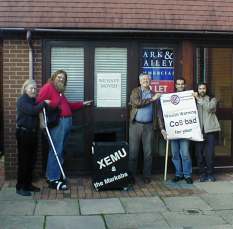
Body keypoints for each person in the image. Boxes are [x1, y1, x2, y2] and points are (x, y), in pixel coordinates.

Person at [37, 70, 92, 190]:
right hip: (58, 123)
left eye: (63, 78)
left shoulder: (60, 92)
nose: (61, 79)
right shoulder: (48, 87)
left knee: (60, 150)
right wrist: (42, 119)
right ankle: (53, 179)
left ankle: (54, 174)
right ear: (54, 77)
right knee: (56, 150)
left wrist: (82, 104)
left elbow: (68, 106)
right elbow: (38, 103)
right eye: (59, 77)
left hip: (66, 122)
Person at [16, 79, 50, 196]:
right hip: (24, 134)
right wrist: (44, 103)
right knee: (24, 161)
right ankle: (20, 187)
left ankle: (28, 184)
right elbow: (32, 111)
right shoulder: (22, 100)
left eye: (35, 88)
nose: (34, 90)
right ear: (25, 88)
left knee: (31, 161)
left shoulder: (33, 100)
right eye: (31, 88)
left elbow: (37, 109)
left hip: (33, 134)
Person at [128, 73, 161, 184]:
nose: (145, 81)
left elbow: (158, 113)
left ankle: (146, 176)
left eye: (147, 79)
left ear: (150, 81)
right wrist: (152, 99)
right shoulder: (135, 91)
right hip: (135, 126)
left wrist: (162, 128)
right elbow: (136, 103)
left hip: (149, 126)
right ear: (140, 81)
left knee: (148, 153)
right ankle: (131, 176)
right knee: (133, 153)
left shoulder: (153, 93)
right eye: (143, 79)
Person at [160, 77, 193, 184]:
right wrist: (163, 129)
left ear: (184, 85)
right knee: (175, 154)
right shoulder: (170, 98)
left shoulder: (188, 97)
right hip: (173, 130)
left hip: (185, 130)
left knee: (185, 154)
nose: (180, 85)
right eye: (178, 84)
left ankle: (187, 175)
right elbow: (163, 112)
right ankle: (178, 174)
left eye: (182, 84)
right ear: (175, 85)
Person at [193, 82, 221, 182]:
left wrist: (198, 99)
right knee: (199, 154)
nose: (201, 90)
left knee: (209, 154)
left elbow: (210, 108)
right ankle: (202, 174)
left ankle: (210, 174)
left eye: (203, 88)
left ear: (206, 89)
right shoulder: (193, 100)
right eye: (200, 89)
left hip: (210, 131)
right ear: (197, 90)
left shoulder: (212, 99)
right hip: (198, 131)